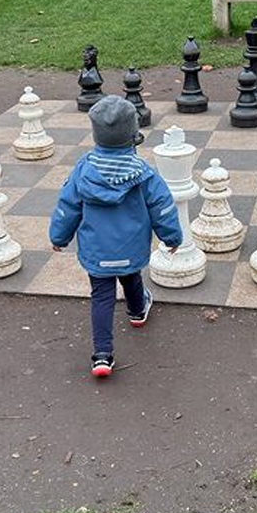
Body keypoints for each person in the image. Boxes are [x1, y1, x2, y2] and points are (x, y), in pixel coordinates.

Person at [49, 96, 183, 378]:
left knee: (101, 296)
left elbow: (67, 206)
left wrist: (59, 237)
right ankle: (137, 311)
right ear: (133, 136)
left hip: (97, 251)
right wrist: (172, 238)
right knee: (131, 276)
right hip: (131, 247)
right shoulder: (144, 174)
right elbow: (163, 207)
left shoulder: (83, 169)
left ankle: (102, 355)